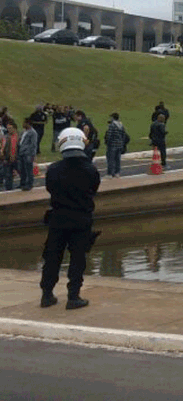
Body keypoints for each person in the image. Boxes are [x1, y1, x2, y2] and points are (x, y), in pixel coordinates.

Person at [39, 127, 100, 310]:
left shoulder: (54, 170)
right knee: (78, 258)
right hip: (81, 218)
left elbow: (50, 188)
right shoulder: (90, 169)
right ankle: (73, 296)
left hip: (58, 217)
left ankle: (47, 295)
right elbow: (93, 190)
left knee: (52, 256)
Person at [104, 113, 128, 178]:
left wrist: (107, 142)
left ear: (113, 117)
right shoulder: (121, 125)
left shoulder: (112, 125)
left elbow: (109, 135)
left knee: (111, 159)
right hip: (119, 144)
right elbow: (124, 135)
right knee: (117, 159)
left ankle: (110, 173)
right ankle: (117, 172)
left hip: (112, 145)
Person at [18, 118, 38, 191]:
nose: (23, 124)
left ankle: (29, 183)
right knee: (22, 169)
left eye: (24, 123)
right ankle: (22, 183)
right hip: (22, 153)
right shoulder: (23, 131)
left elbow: (33, 144)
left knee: (28, 169)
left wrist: (31, 153)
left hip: (28, 154)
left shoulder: (33, 133)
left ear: (28, 123)